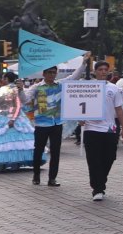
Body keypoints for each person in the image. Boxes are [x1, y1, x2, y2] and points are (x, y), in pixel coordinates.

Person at [24, 58, 86, 186]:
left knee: (55, 151)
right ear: (44, 74)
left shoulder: (60, 85)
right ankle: (36, 175)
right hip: (41, 124)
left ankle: (52, 178)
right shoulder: (36, 87)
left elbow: (75, 76)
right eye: (49, 72)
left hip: (57, 124)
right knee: (38, 150)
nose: (52, 75)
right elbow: (25, 100)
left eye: (54, 72)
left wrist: (84, 63)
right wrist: (19, 90)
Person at [82, 60, 123, 201]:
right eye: (100, 69)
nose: (103, 72)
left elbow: (119, 109)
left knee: (109, 158)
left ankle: (100, 181)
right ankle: (98, 188)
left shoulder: (114, 89)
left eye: (105, 69)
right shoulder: (86, 87)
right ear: (95, 71)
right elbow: (78, 106)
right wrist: (79, 119)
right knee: (93, 159)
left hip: (109, 129)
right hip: (91, 128)